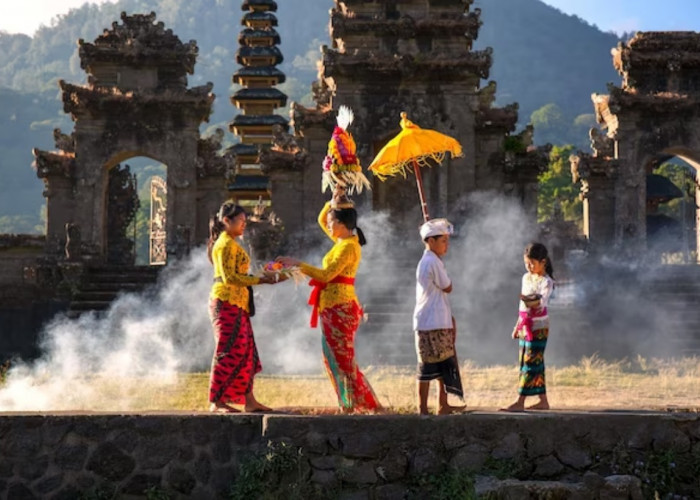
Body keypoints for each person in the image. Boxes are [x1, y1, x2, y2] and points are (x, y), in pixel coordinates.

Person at [276, 186, 381, 413]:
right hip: (332, 307)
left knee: (343, 360)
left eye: (333, 222)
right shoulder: (342, 242)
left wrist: (297, 263)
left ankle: (359, 404)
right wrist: (332, 201)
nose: (329, 226)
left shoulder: (347, 248)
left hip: (341, 308)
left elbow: (326, 275)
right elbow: (322, 219)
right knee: (333, 358)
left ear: (342, 225)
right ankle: (348, 403)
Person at [207, 201, 282, 413]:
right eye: (240, 221)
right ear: (226, 221)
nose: (243, 225)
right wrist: (261, 280)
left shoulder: (231, 243)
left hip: (238, 303)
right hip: (226, 301)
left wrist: (263, 274)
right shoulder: (224, 244)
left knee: (246, 350)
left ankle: (249, 400)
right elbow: (230, 277)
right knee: (227, 350)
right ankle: (217, 401)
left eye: (244, 222)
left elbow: (239, 274)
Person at [413, 218, 465, 415]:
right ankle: (423, 408)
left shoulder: (432, 261)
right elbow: (448, 286)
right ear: (431, 241)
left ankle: (442, 404)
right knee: (427, 367)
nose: (446, 245)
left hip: (435, 318)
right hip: (431, 321)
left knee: (442, 364)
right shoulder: (432, 262)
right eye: (443, 241)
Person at [502, 242, 555, 412]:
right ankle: (543, 400)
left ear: (543, 262)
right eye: (527, 263)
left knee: (530, 362)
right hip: (525, 325)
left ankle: (520, 401)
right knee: (532, 362)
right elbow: (522, 306)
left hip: (539, 326)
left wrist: (534, 303)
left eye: (532, 263)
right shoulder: (525, 277)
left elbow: (541, 301)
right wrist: (517, 326)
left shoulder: (547, 281)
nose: (529, 267)